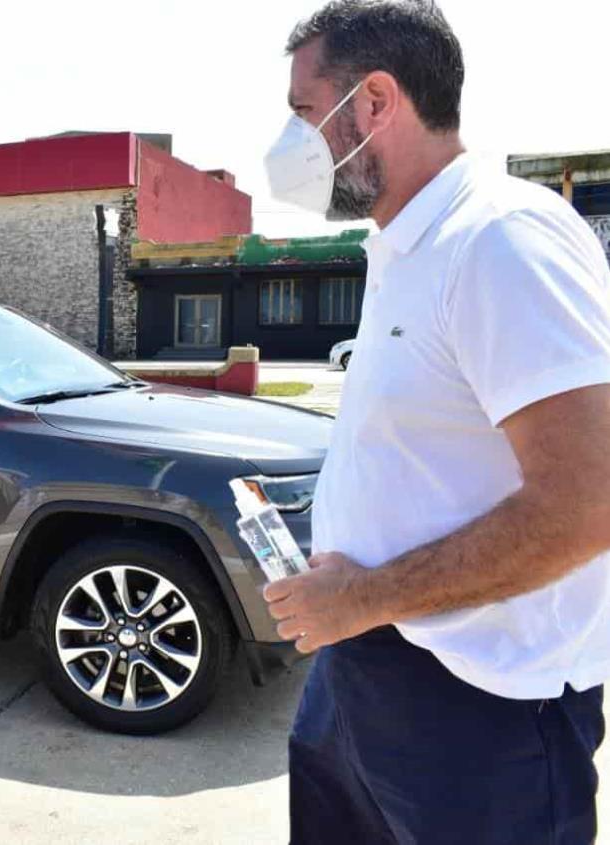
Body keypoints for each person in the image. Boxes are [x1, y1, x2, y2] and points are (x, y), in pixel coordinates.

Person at [261, 2, 610, 842]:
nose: (288, 140)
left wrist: (362, 595)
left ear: (375, 102)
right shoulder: (404, 244)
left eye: (303, 111)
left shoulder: (498, 239)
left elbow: (589, 499)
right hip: (360, 671)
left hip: (477, 720)